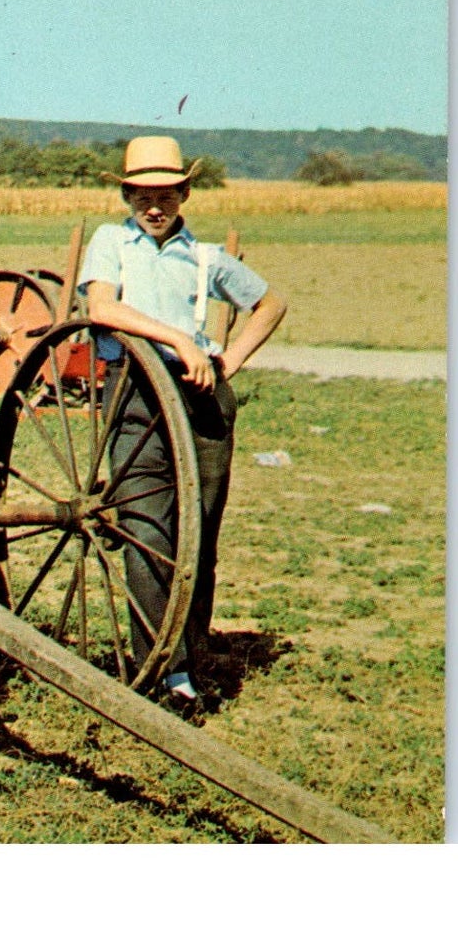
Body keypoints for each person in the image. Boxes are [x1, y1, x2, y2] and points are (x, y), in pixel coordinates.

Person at [78, 135, 287, 707]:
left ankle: (187, 666)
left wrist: (229, 360)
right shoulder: (110, 243)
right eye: (142, 194)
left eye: (165, 194)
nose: (153, 206)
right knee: (145, 532)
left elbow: (270, 304)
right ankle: (159, 668)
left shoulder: (205, 257)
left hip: (200, 398)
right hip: (137, 395)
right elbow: (101, 309)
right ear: (125, 194)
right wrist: (176, 338)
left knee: (197, 536)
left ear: (183, 193)